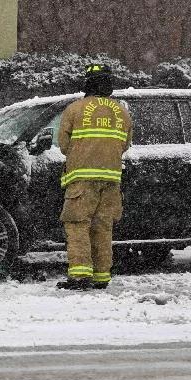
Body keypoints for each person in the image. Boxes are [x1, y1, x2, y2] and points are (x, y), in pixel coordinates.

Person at [55, 64, 133, 290]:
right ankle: (101, 276)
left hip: (81, 178)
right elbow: (125, 145)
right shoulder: (122, 112)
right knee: (103, 226)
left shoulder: (75, 109)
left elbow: (63, 145)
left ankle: (79, 276)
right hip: (111, 179)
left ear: (87, 84)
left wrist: (83, 152)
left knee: (78, 225)